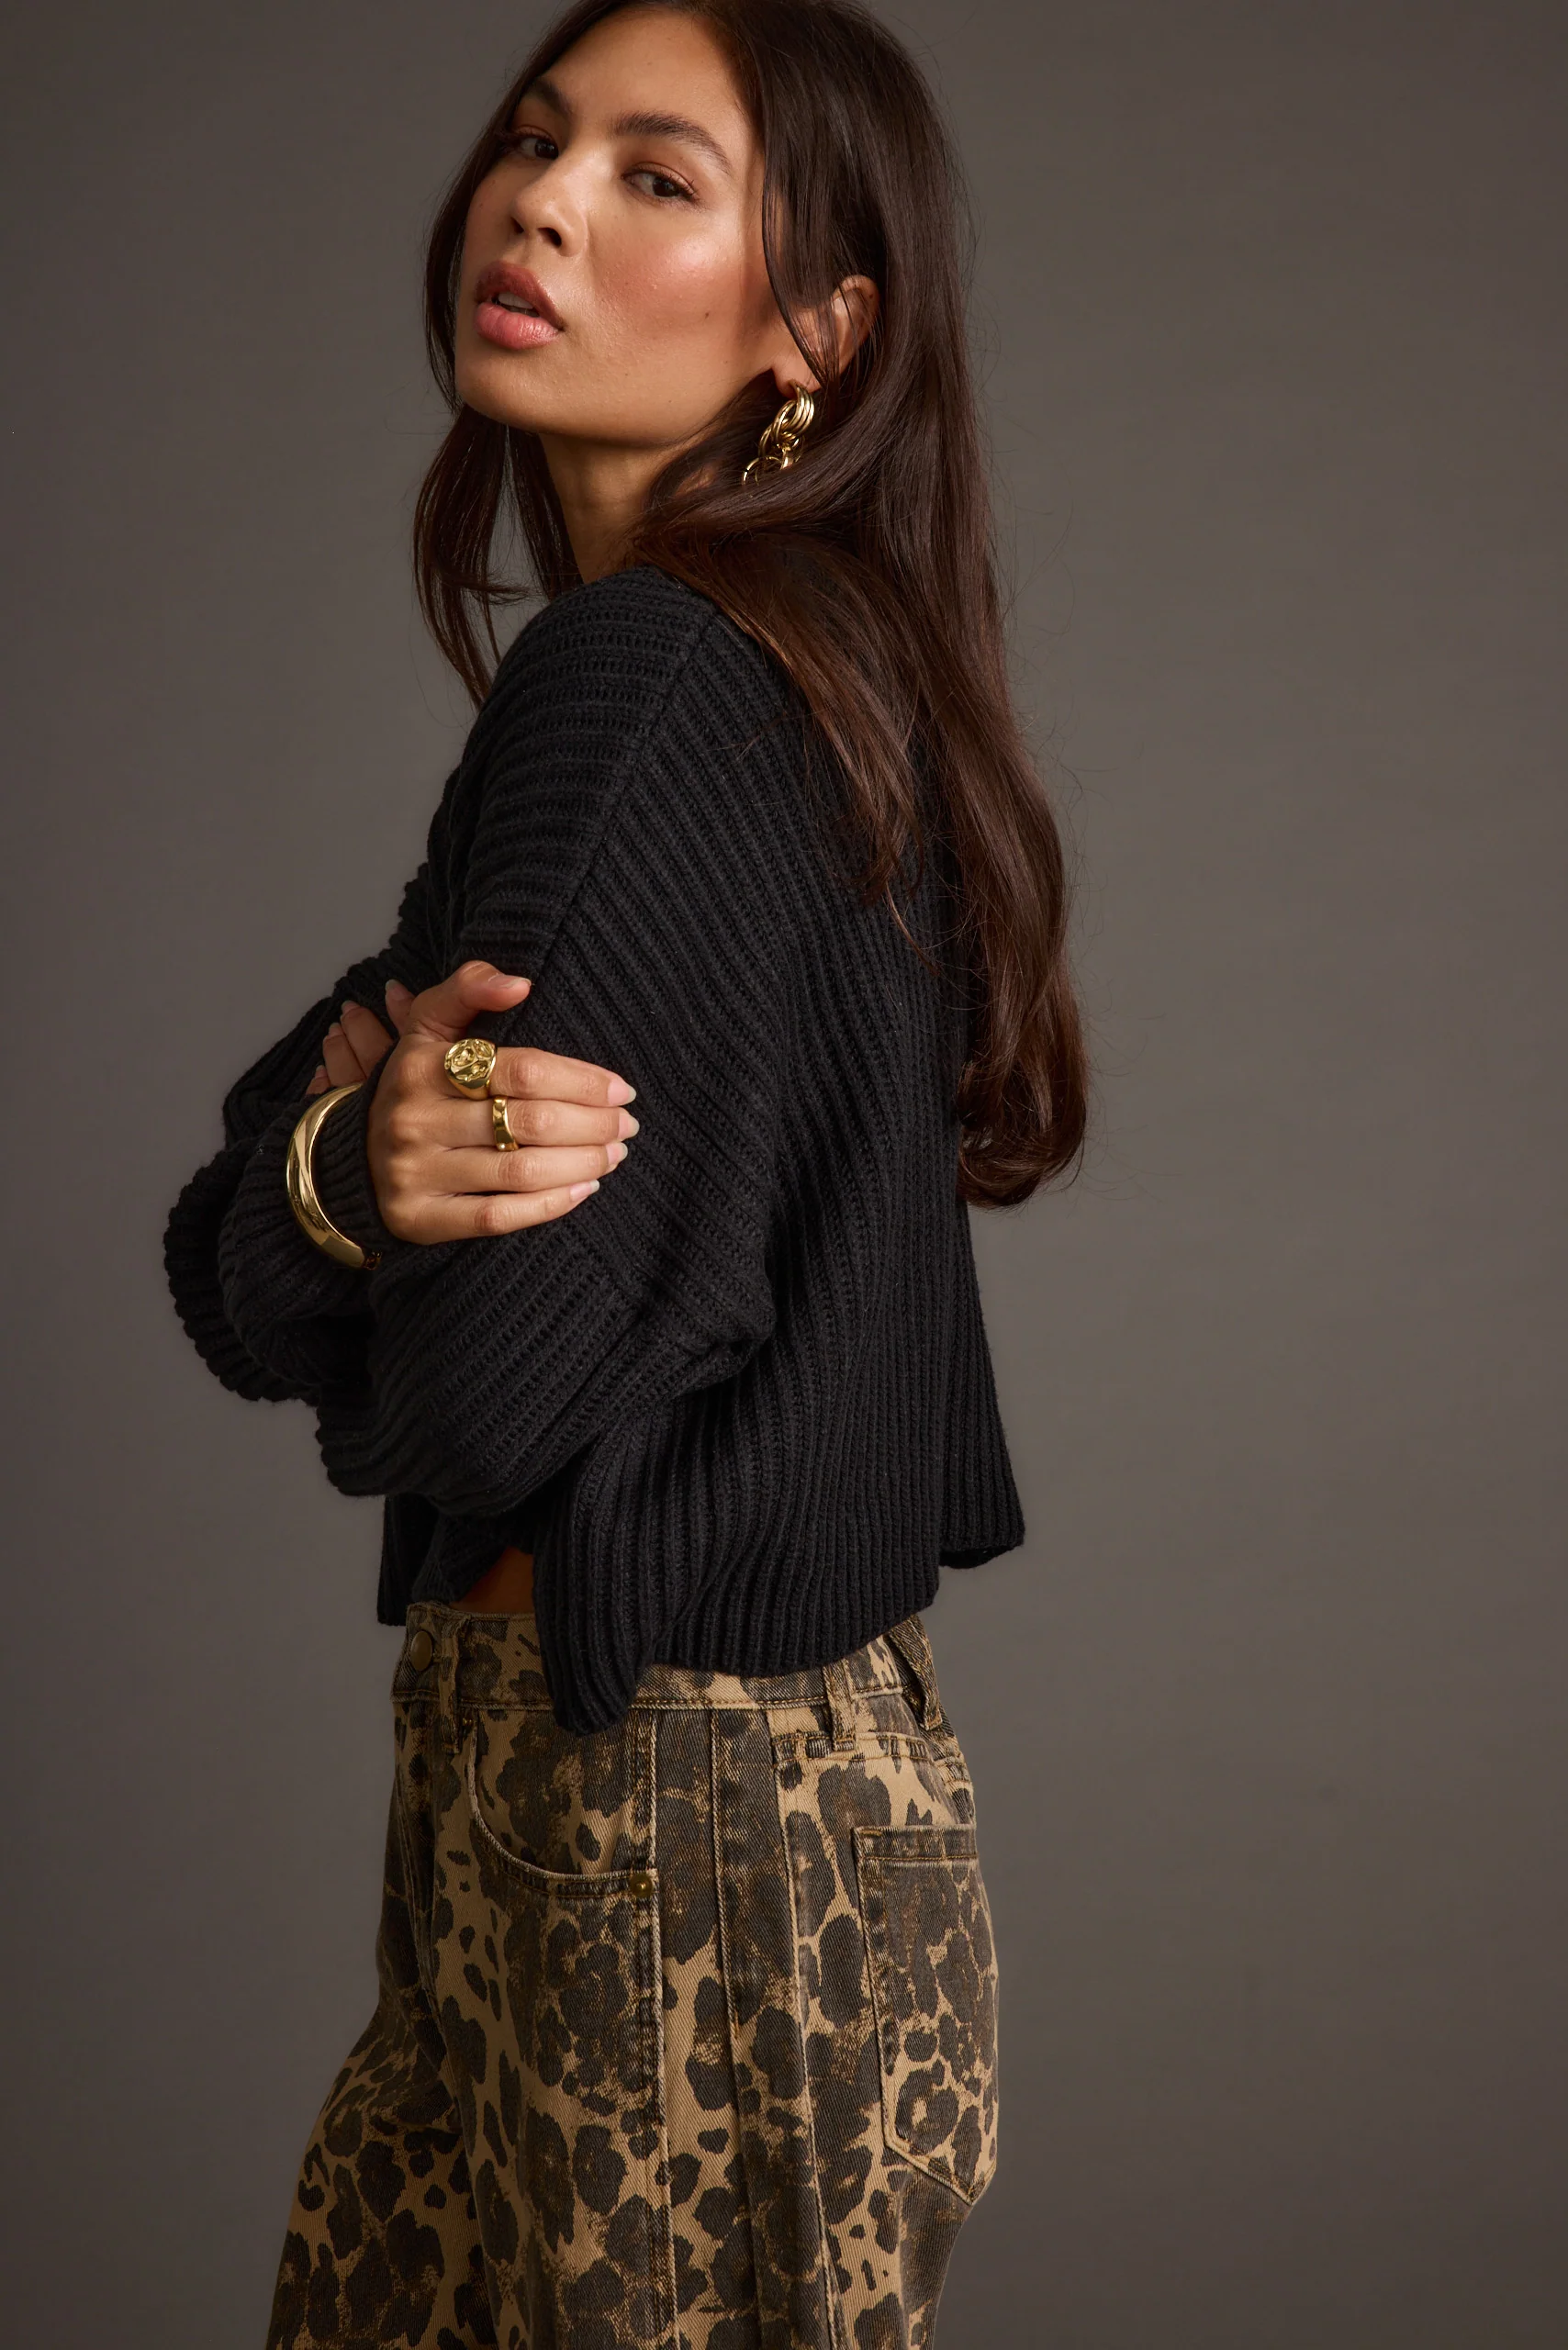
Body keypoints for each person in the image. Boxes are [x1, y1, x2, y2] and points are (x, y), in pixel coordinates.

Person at [162, 0, 1088, 2340]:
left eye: (653, 177)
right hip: (702, 1805)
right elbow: (236, 1236)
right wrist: (347, 1180)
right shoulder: (760, 669)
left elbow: (476, 1396)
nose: (538, 203)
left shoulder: (652, 681)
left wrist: (344, 1211)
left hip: (663, 1813)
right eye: (532, 137)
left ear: (816, 333)